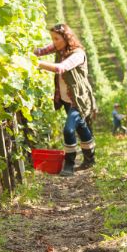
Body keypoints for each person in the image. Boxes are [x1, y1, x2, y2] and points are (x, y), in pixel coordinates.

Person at [34, 23, 97, 176]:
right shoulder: (59, 47)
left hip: (78, 99)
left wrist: (38, 64)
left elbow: (61, 68)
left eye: (56, 38)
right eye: (52, 39)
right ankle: (90, 158)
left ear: (66, 37)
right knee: (81, 127)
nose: (54, 42)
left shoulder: (78, 54)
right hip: (65, 98)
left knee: (68, 130)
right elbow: (41, 51)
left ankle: (69, 163)